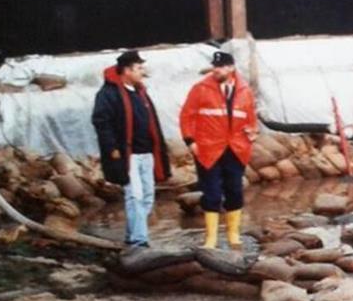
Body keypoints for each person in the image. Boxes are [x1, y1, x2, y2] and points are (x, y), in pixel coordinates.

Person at [91, 49, 171, 248]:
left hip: (147, 153)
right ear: (126, 70)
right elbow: (102, 122)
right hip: (129, 155)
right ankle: (139, 241)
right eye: (139, 68)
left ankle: (131, 234)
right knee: (134, 196)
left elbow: (152, 122)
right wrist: (112, 148)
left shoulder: (141, 92)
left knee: (147, 197)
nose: (142, 72)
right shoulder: (108, 93)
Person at [179, 50, 258, 249]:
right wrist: (190, 141)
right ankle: (211, 238)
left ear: (231, 68)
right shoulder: (200, 89)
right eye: (215, 66)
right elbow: (186, 116)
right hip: (208, 149)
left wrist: (252, 133)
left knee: (235, 191)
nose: (216, 70)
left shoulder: (244, 90)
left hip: (235, 150)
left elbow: (250, 118)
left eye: (221, 66)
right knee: (211, 193)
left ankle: (233, 235)